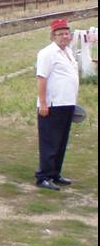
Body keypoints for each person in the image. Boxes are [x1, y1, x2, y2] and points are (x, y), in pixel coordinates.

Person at [35, 19, 79, 190]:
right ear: (53, 36)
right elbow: (42, 78)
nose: (64, 36)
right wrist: (43, 103)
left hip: (67, 103)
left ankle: (55, 173)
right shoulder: (47, 53)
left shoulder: (68, 52)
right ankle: (43, 177)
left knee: (61, 142)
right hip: (53, 105)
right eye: (60, 34)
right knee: (50, 142)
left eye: (66, 33)